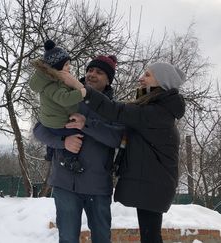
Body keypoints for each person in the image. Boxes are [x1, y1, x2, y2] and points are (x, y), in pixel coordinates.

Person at [62, 62, 186, 243]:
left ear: (161, 82)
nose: (141, 78)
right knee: (150, 235)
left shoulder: (154, 112)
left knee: (150, 237)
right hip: (155, 181)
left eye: (148, 75)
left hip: (155, 183)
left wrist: (81, 89)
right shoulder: (157, 108)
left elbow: (114, 110)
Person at [33, 54, 123, 243]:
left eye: (99, 72)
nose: (92, 74)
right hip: (66, 183)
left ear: (109, 79)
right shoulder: (65, 95)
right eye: (90, 70)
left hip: (98, 186)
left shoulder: (115, 108)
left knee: (101, 238)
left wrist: (86, 124)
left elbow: (117, 138)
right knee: (67, 239)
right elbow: (40, 130)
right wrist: (63, 142)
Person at [29, 40, 87, 173]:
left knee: (56, 132)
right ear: (57, 67)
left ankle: (50, 152)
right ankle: (69, 159)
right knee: (76, 133)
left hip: (49, 121)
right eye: (66, 65)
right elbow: (64, 99)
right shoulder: (53, 85)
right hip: (59, 123)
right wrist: (82, 92)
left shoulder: (50, 82)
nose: (69, 68)